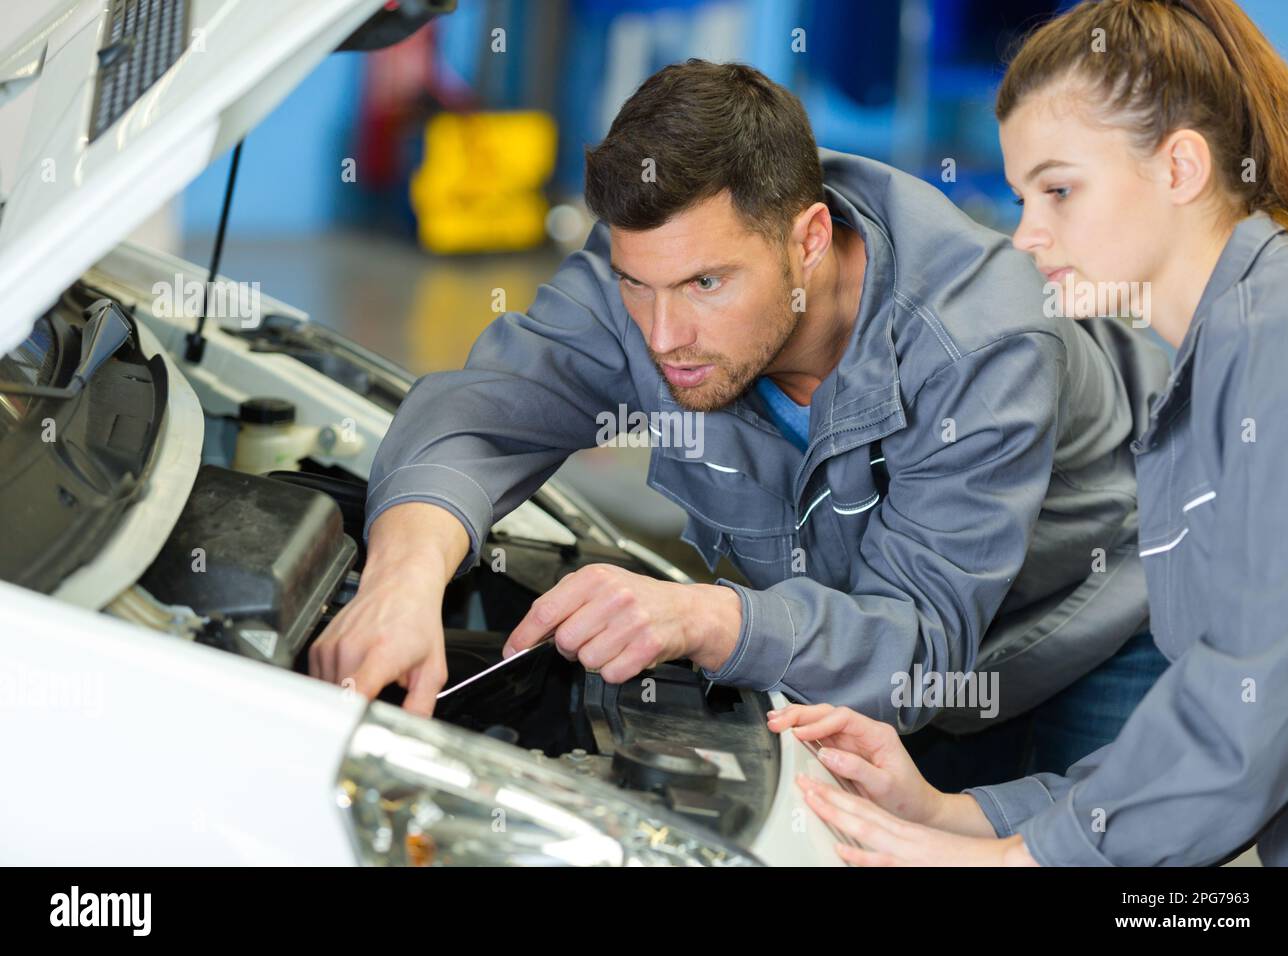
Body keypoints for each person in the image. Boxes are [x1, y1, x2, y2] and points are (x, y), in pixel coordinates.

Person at [310, 58, 1170, 781]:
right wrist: (403, 583)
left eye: (707, 286)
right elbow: (481, 416)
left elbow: (916, 657)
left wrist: (708, 618)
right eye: (635, 283)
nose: (662, 335)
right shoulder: (657, 271)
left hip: (1086, 639)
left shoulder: (979, 343)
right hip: (863, 665)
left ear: (808, 240)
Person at [778, 0, 1288, 866]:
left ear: (1180, 167)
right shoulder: (1209, 366)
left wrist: (1015, 863)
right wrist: (956, 815)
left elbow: (1253, 711)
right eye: (1022, 196)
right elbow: (1191, 731)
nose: (1027, 236)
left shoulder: (1277, 335)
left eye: (1059, 189)